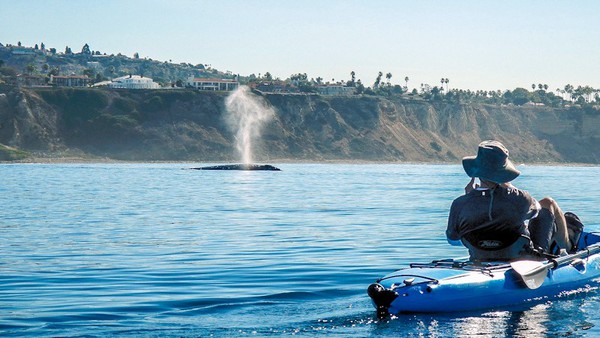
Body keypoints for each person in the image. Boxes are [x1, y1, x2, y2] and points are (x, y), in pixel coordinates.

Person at [446, 140, 573, 261]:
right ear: (504, 174)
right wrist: (511, 188)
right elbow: (537, 212)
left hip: (479, 256)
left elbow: (453, 239)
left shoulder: (460, 203)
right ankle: (568, 248)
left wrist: (470, 198)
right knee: (548, 203)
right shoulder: (520, 198)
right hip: (521, 257)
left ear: (478, 172)